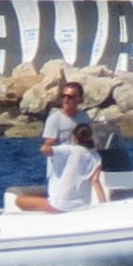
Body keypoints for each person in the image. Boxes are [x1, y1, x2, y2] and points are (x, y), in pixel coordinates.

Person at [37, 80, 108, 211]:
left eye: (69, 97)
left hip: (78, 165)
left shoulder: (83, 117)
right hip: (60, 169)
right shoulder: (55, 119)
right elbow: (48, 145)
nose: (65, 99)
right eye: (63, 96)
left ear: (79, 99)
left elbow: (88, 138)